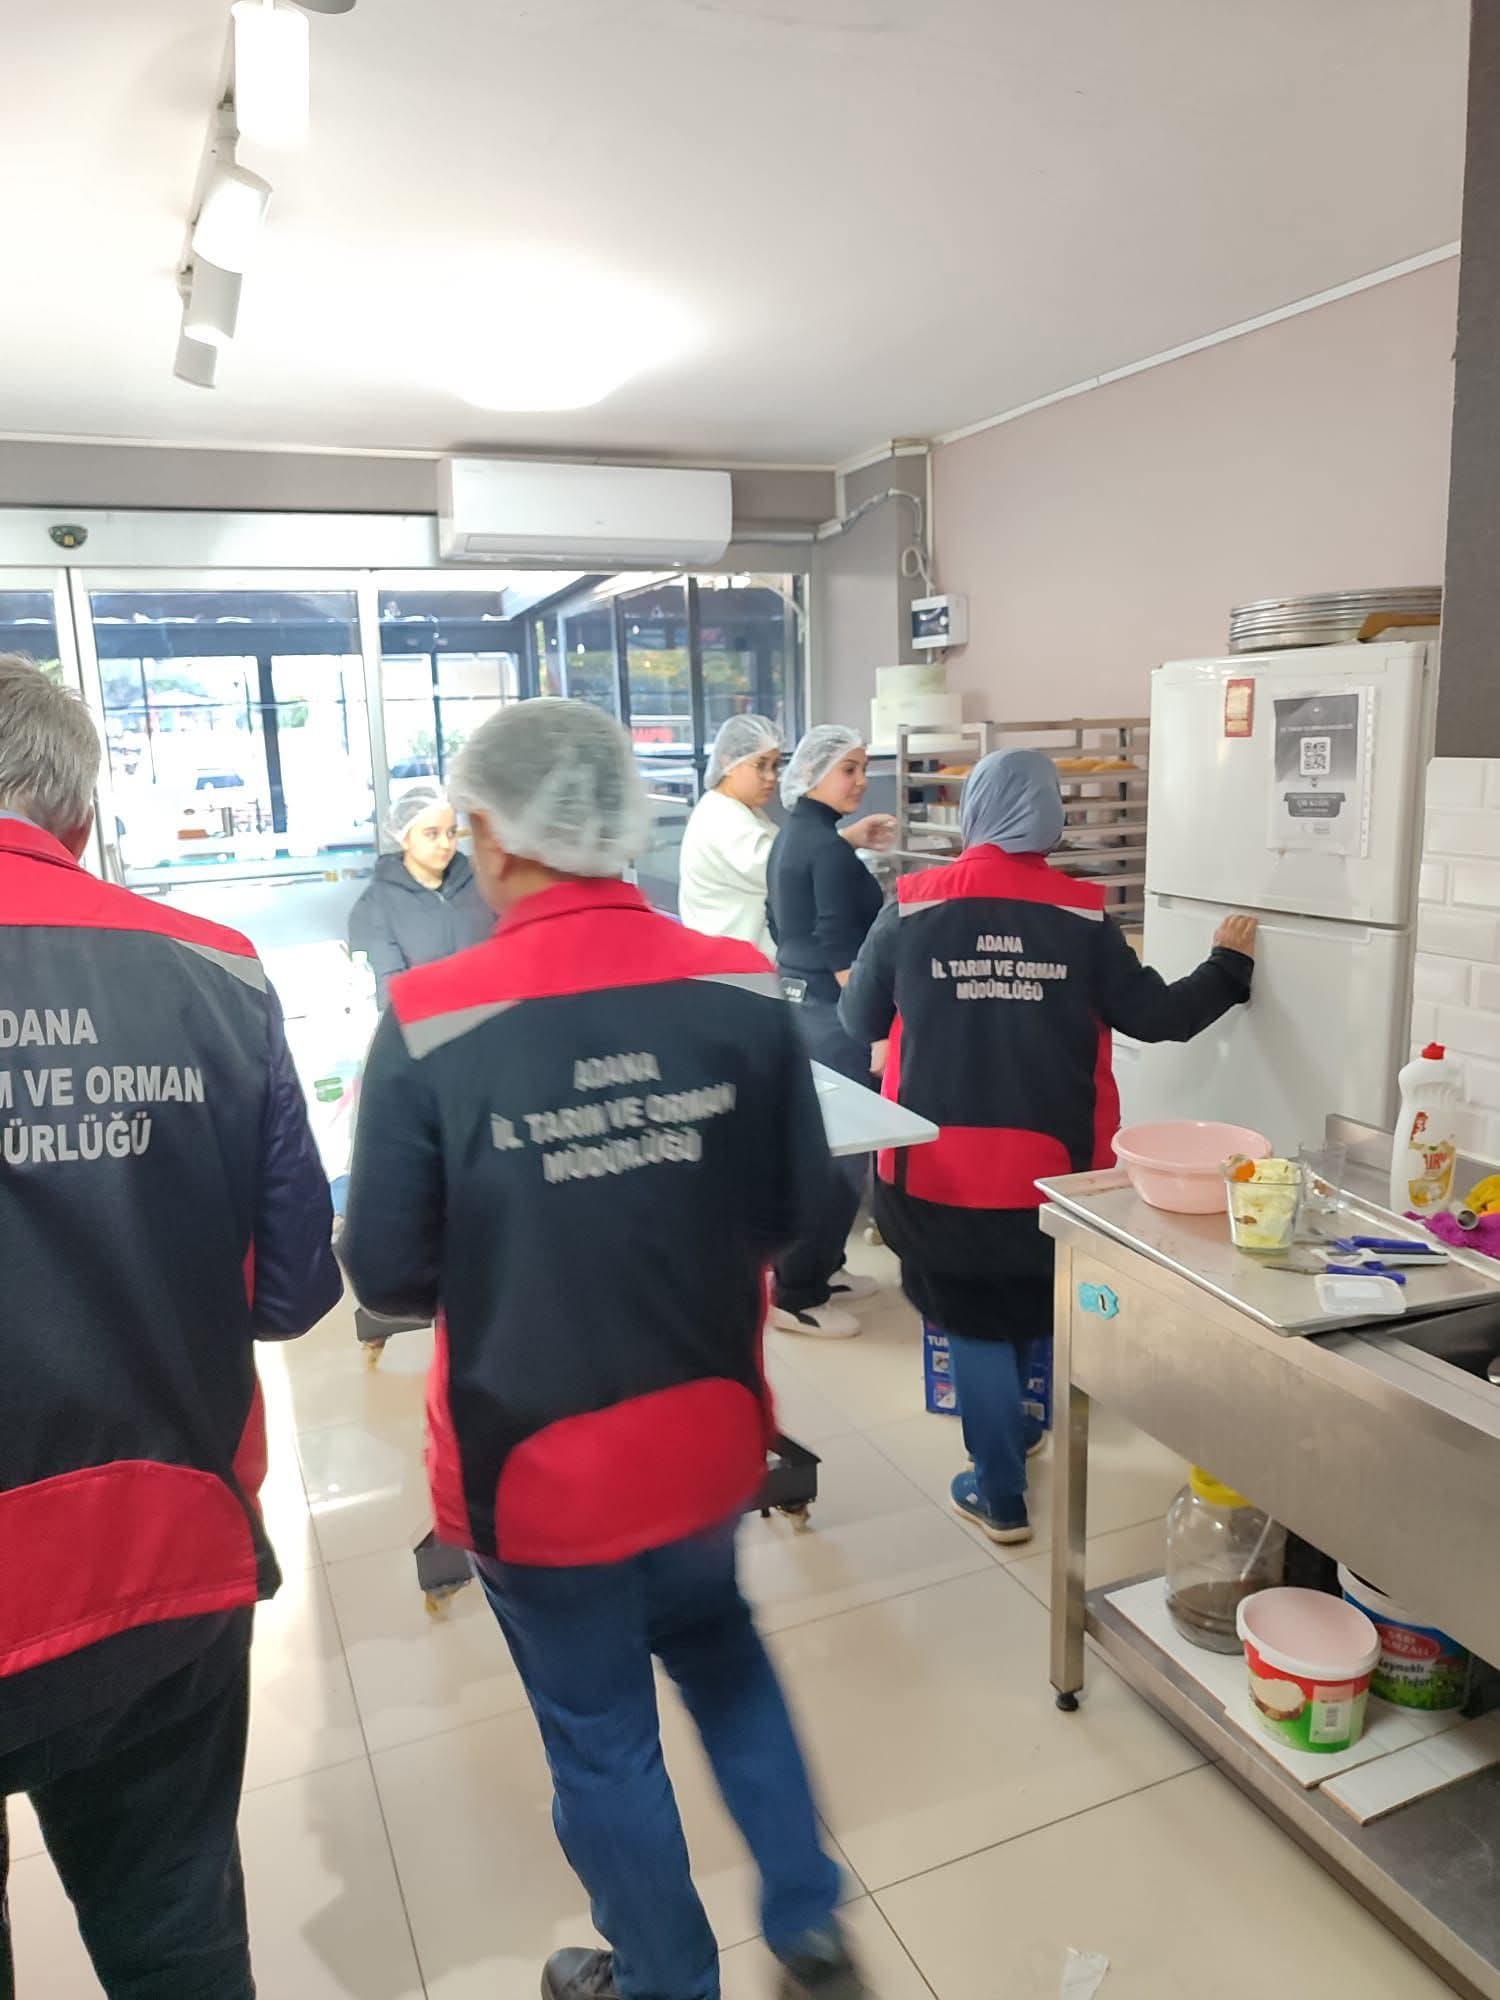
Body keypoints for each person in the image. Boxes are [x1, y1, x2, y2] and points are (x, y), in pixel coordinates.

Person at [341, 699, 861, 2000]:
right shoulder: (735, 988)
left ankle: (668, 1979)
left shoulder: (431, 1017)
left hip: (536, 1464)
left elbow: (387, 1273)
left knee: (601, 1736)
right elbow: (801, 1207)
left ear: (493, 833)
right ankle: (809, 1922)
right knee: (723, 1649)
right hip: (707, 1430)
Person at [0, 655, 342, 1997]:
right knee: (177, 1937)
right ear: (82, 818)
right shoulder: (214, 970)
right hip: (163, 1558)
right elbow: (291, 1290)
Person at [841, 746, 1257, 1544]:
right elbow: (1160, 1018)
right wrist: (1229, 967)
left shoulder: (912, 907)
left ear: (973, 812)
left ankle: (999, 1491)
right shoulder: (1081, 916)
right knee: (1031, 1297)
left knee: (967, 1317)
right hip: (1056, 1173)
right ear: (1051, 817)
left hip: (931, 1167)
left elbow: (857, 1019)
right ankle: (1019, 1428)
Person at [764, 725, 895, 1337]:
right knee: (839, 1156)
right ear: (814, 773)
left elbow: (780, 921)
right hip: (833, 1012)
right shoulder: (828, 851)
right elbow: (843, 951)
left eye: (863, 767)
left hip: (798, 1001)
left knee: (825, 1146)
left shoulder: (796, 835)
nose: (861, 780)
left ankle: (824, 1266)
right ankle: (797, 1293)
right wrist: (875, 1030)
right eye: (849, 769)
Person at [348, 782, 493, 1004]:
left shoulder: (482, 886)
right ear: (403, 837)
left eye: (451, 833)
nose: (445, 844)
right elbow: (390, 996)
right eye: (432, 834)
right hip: (427, 1023)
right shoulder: (375, 907)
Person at [677, 713, 782, 954]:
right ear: (729, 762)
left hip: (738, 957)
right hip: (729, 960)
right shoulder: (722, 817)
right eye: (761, 765)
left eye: (775, 766)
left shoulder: (742, 809)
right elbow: (781, 867)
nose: (771, 777)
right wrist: (843, 840)